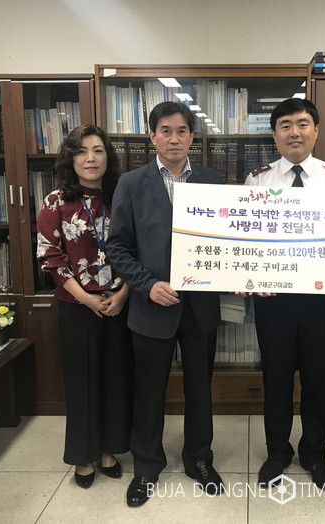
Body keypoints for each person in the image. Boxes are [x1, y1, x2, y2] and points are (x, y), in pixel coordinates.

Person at [106, 101, 225, 508]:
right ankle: (147, 465)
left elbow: (229, 242)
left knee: (200, 390)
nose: (174, 138)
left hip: (201, 307)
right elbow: (118, 246)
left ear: (192, 136)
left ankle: (199, 459)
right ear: (152, 136)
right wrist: (147, 285)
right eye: (165, 131)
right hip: (152, 305)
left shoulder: (213, 181)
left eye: (182, 131)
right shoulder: (131, 183)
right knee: (149, 391)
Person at [244, 98, 325, 491]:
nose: (295, 132)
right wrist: (248, 276)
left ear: (316, 131)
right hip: (273, 301)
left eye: (303, 124)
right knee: (275, 380)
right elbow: (246, 238)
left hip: (321, 301)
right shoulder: (258, 179)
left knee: (317, 380)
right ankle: (277, 453)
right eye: (285, 125)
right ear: (274, 134)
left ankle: (315, 454)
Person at [37, 124, 132, 490]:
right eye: (81, 151)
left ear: (108, 157)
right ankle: (83, 455)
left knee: (115, 379)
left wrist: (122, 295)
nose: (90, 158)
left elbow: (138, 249)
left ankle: (108, 450)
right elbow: (52, 258)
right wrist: (88, 298)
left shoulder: (122, 196)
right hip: (77, 306)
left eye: (98, 150)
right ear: (70, 158)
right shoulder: (56, 202)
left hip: (119, 304)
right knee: (81, 383)